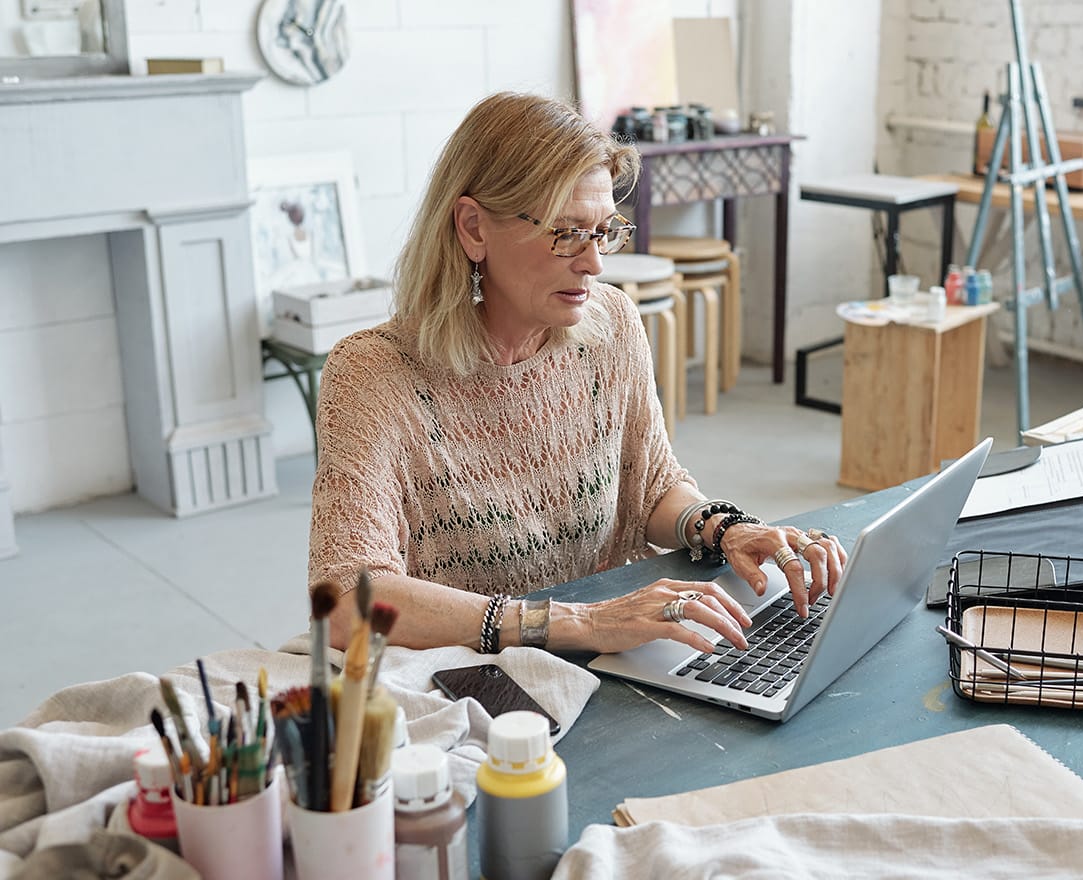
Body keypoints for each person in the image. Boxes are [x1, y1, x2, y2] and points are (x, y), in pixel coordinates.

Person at [308, 92, 845, 657]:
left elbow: (652, 486)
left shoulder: (610, 324)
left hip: (605, 658)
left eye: (604, 231)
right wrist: (578, 622)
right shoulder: (373, 375)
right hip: (468, 690)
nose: (594, 263)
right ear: (473, 228)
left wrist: (726, 529)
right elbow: (346, 602)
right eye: (565, 233)